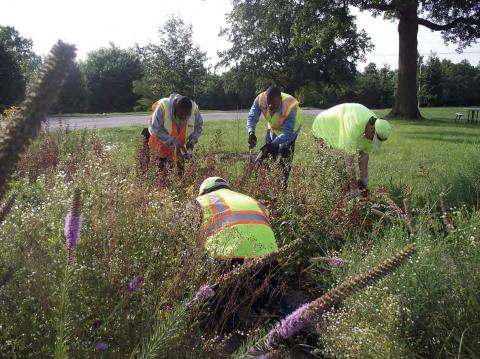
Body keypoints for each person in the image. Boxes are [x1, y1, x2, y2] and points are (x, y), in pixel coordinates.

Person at [194, 177, 281, 324]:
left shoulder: (201, 202)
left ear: (204, 192)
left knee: (216, 315)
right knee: (273, 310)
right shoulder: (252, 200)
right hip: (269, 261)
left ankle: (225, 319)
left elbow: (177, 231)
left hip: (226, 263)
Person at [311, 103, 391, 192]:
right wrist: (354, 189)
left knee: (341, 170)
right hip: (323, 124)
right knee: (327, 162)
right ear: (372, 129)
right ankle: (324, 191)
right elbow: (349, 160)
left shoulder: (377, 124)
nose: (372, 141)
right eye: (373, 138)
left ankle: (341, 190)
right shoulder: (353, 127)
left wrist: (364, 180)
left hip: (342, 123)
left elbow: (364, 155)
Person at [246, 86, 302, 187]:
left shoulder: (290, 106)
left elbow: (287, 133)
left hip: (291, 131)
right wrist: (251, 133)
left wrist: (273, 144)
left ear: (280, 99)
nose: (270, 106)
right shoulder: (260, 100)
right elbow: (252, 117)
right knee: (267, 154)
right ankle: (262, 184)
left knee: (284, 157)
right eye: (268, 102)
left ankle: (282, 186)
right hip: (273, 128)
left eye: (273, 103)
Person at [142, 93, 203, 174]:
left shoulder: (194, 109)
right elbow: (156, 129)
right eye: (181, 115)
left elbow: (199, 126)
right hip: (159, 142)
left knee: (179, 174)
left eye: (186, 115)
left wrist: (193, 139)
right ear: (175, 107)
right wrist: (173, 141)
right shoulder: (163, 107)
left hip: (178, 146)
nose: (184, 118)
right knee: (161, 173)